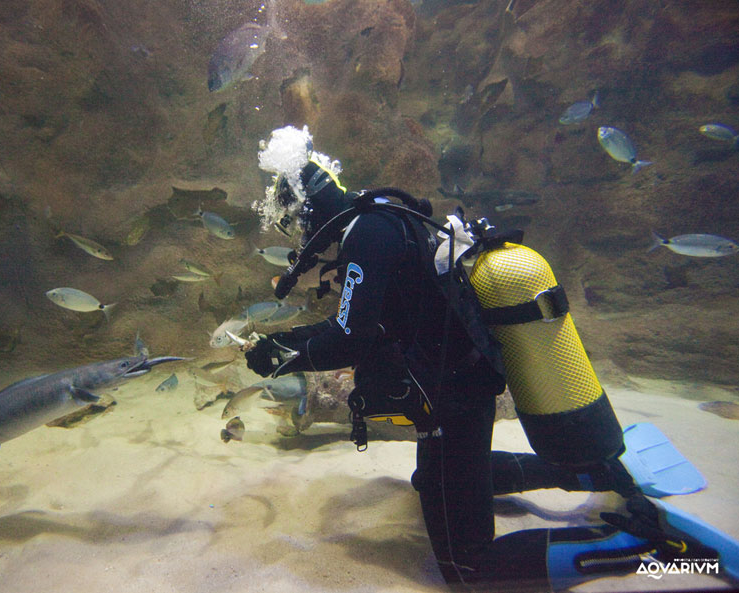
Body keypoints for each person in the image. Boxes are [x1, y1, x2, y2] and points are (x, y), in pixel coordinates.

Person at [243, 126, 734, 590]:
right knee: (429, 480)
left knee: (468, 567)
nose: (298, 236)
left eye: (292, 222)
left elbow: (347, 340)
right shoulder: (385, 220)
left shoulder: (366, 236)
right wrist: (283, 345)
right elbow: (362, 328)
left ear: (307, 210)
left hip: (454, 403)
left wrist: (279, 355)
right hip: (461, 388)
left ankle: (641, 543)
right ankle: (587, 473)